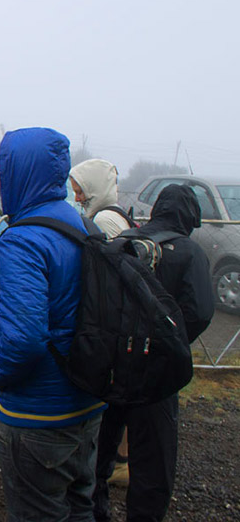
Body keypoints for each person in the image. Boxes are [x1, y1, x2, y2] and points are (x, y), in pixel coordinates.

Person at [0, 127, 107, 522]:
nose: (2, 180)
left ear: (20, 172)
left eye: (6, 169)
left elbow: (24, 339)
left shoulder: (23, 240)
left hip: (38, 413)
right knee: (80, 505)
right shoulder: (86, 227)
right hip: (88, 402)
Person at [92, 184, 214, 522]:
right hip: (157, 372)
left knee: (98, 453)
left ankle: (94, 513)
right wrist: (173, 344)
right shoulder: (189, 252)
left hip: (111, 367)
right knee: (153, 464)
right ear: (191, 215)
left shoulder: (123, 242)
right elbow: (200, 311)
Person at [70, 158, 134, 487]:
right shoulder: (117, 214)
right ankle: (121, 460)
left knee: (112, 398)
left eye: (81, 190)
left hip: (112, 319)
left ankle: (117, 463)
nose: (77, 197)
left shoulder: (106, 220)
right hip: (121, 318)